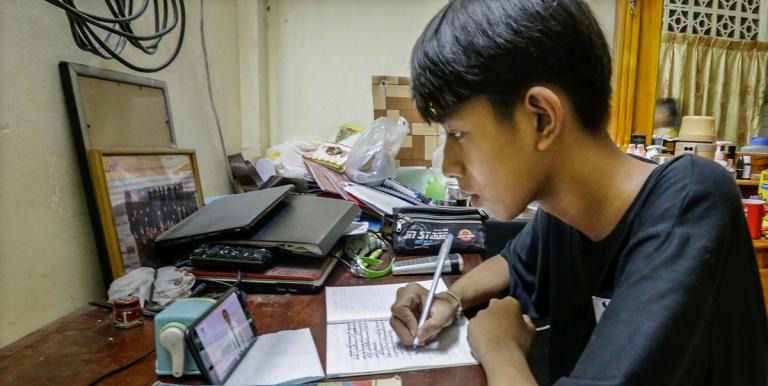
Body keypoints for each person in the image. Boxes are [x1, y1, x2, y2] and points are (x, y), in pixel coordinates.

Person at [388, 1, 768, 385]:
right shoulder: (566, 212)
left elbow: (502, 335)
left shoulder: (692, 201)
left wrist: (500, 349)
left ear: (541, 119)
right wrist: (448, 299)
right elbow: (512, 263)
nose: (447, 165)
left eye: (458, 135)